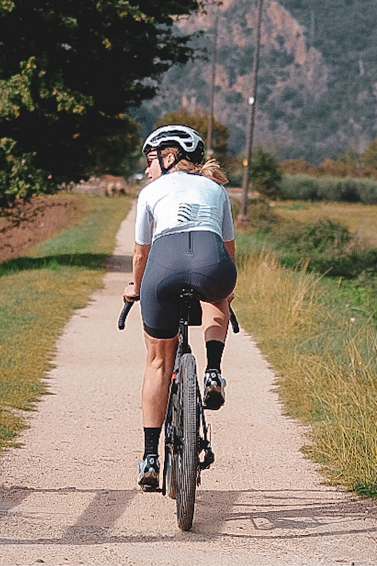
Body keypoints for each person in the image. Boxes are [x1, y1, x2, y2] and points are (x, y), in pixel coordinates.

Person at [122, 124, 237, 490]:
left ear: (169, 157)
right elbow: (228, 247)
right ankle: (214, 371)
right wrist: (226, 291)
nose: (147, 169)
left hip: (164, 267)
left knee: (158, 361)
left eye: (151, 160)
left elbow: (141, 253)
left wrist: (135, 288)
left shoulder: (151, 192)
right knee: (219, 296)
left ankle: (151, 459)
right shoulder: (217, 190)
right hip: (212, 262)